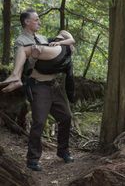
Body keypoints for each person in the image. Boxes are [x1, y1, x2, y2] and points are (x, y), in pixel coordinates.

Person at [0, 9, 75, 171]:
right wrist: (34, 56)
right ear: (26, 22)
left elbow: (53, 55)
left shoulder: (41, 38)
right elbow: (25, 63)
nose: (39, 22)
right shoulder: (21, 41)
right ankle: (32, 159)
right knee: (39, 122)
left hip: (55, 86)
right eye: (36, 20)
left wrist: (58, 45)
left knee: (66, 117)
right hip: (39, 87)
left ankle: (63, 151)